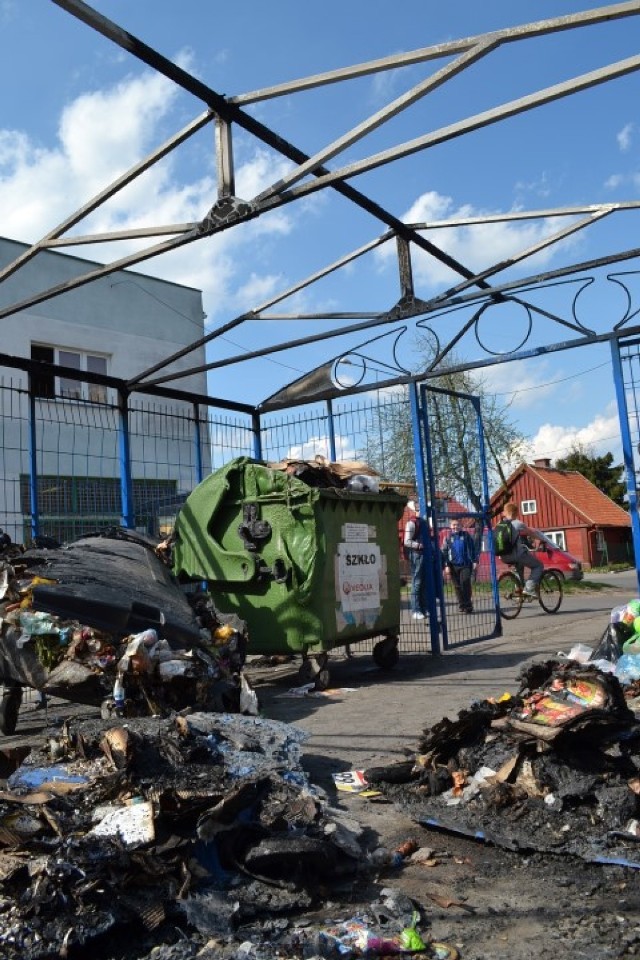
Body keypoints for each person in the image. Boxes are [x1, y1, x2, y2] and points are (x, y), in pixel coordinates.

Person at [499, 501, 545, 597]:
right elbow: (531, 533)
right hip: (517, 554)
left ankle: (518, 588)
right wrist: (542, 540)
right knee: (538, 566)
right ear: (515, 513)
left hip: (504, 556)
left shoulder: (500, 524)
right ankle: (529, 589)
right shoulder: (518, 523)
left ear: (505, 512)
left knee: (519, 566)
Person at [441, 518, 478, 614]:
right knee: (457, 586)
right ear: (450, 526)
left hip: (465, 564)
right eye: (454, 525)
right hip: (453, 566)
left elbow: (472, 549)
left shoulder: (466, 536)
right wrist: (446, 565)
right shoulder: (448, 538)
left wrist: (475, 561)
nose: (455, 527)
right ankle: (461, 605)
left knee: (465, 583)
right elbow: (444, 552)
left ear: (461, 526)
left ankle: (468, 605)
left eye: (457, 525)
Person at [403, 498, 427, 619]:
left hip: (425, 554)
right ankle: (416, 610)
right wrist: (418, 545)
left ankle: (423, 608)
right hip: (417, 555)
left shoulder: (425, 523)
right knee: (417, 582)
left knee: (424, 583)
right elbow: (406, 541)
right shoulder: (411, 523)